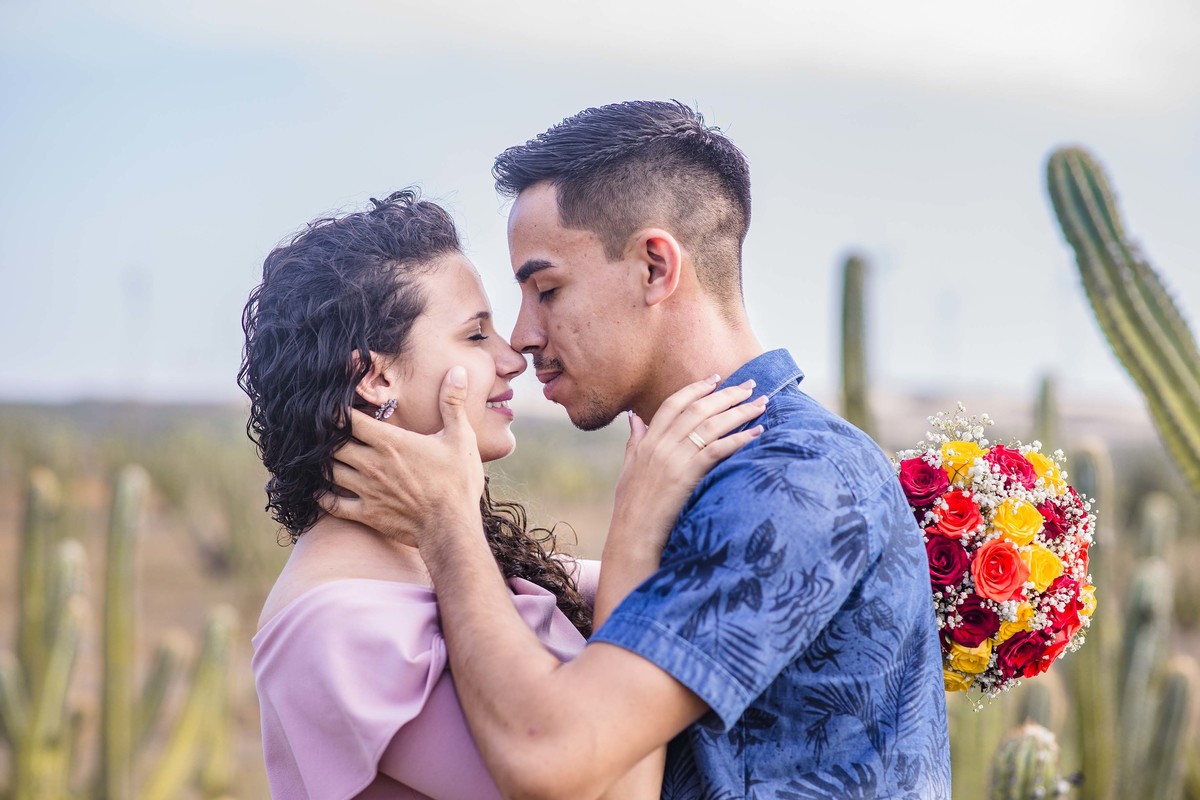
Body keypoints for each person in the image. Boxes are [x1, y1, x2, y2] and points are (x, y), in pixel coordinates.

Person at [328, 101, 953, 799]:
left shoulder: (793, 481)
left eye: (547, 289)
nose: (523, 337)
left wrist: (446, 524)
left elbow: (550, 754)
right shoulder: (711, 468)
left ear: (655, 267)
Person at [240, 189, 766, 799]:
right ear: (377, 377)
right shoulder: (335, 629)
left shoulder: (447, 555)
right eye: (474, 335)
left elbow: (706, 585)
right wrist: (635, 529)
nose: (512, 357)